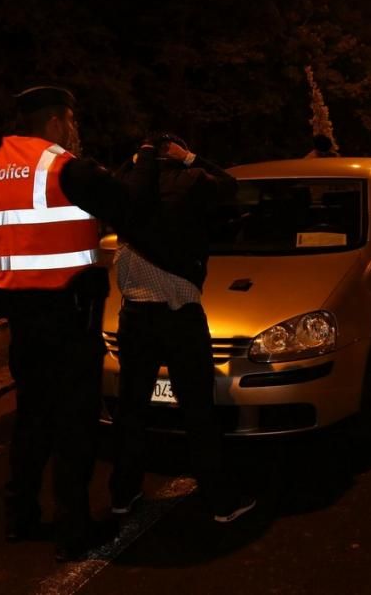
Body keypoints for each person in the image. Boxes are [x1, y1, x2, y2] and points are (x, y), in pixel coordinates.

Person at [0, 85, 161, 562]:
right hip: (67, 316)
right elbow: (128, 203)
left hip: (20, 316)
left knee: (32, 419)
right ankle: (74, 529)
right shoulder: (65, 167)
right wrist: (145, 159)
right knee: (74, 425)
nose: (74, 132)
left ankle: (20, 517)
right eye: (72, 123)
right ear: (57, 122)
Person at [109, 133, 256, 523]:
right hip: (180, 315)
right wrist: (193, 157)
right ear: (175, 154)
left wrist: (135, 160)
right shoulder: (191, 183)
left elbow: (108, 186)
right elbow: (230, 188)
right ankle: (220, 501)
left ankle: (123, 494)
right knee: (197, 410)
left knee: (131, 410)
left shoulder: (125, 188)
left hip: (135, 315)